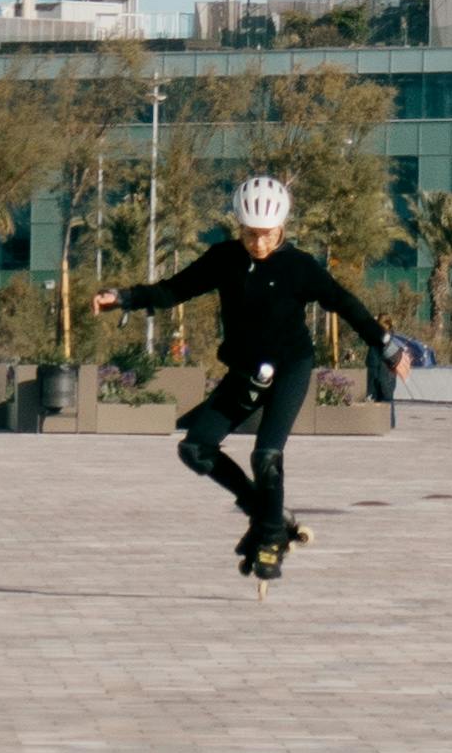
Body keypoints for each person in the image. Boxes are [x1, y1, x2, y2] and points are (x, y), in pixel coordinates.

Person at [94, 176, 395, 577]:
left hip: (290, 369)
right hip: (245, 371)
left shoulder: (299, 267)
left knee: (266, 456)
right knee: (196, 448)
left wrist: (386, 345)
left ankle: (271, 540)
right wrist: (126, 297)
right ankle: (269, 518)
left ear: (282, 227)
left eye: (267, 235)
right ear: (239, 227)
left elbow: (345, 304)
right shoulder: (224, 259)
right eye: (250, 235)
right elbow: (173, 290)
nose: (259, 243)